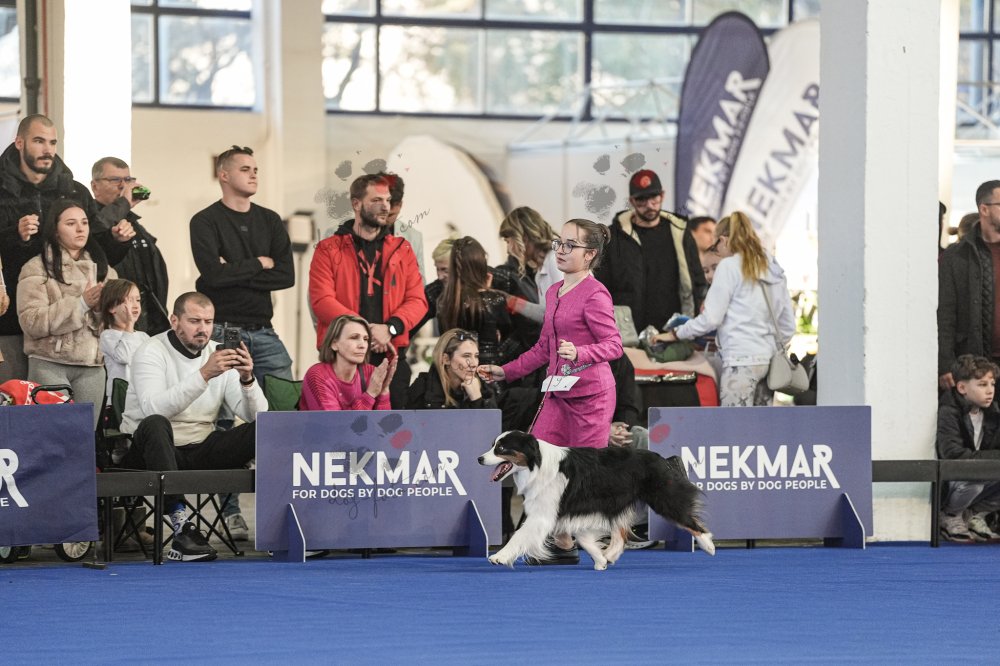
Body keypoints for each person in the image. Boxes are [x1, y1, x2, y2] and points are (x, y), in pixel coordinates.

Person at [478, 218, 622, 565]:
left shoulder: (596, 293)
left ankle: (610, 535)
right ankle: (562, 544)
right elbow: (544, 348)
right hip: (557, 395)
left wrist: (580, 353)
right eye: (559, 242)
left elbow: (614, 345)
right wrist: (505, 371)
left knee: (584, 476)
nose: (560, 250)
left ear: (590, 254)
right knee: (537, 466)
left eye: (570, 245)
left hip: (591, 398)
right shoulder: (554, 291)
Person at [120, 292, 267, 562]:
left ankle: (278, 525)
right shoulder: (151, 351)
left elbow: (256, 415)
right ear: (174, 321)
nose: (203, 329)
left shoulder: (218, 353)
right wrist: (204, 375)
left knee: (264, 428)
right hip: (152, 451)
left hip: (200, 447)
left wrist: (247, 379)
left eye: (208, 322)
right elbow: (155, 409)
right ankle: (181, 527)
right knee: (155, 423)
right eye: (194, 321)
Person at [0, 114, 135, 383]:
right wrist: (14, 234)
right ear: (19, 143)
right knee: (13, 395)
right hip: (11, 314)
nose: (47, 149)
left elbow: (96, 248)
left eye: (52, 142)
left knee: (68, 406)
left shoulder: (74, 191)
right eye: (39, 141)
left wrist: (117, 240)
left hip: (70, 323)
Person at [308, 173, 427, 409]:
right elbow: (321, 300)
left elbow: (418, 300)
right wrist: (364, 331)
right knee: (341, 427)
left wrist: (390, 328)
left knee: (391, 428)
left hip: (390, 356)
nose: (385, 207)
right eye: (376, 200)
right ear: (356, 203)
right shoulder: (328, 249)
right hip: (342, 359)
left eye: (387, 200)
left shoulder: (403, 249)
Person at [656, 211, 795, 407]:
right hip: (769, 364)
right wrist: (770, 348)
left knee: (734, 424)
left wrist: (676, 333)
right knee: (761, 425)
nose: (717, 252)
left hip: (739, 361)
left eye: (716, 247)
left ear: (722, 240)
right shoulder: (772, 267)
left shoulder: (729, 266)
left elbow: (711, 319)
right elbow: (788, 326)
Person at [191, 145, 295, 387]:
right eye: (245, 169)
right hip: (223, 330)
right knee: (223, 406)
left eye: (256, 170)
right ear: (224, 175)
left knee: (284, 400)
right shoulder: (204, 221)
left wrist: (231, 271)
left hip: (264, 330)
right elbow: (213, 276)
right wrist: (259, 263)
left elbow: (286, 276)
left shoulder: (270, 220)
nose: (254, 175)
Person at [16, 198, 116, 430]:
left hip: (93, 366)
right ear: (55, 230)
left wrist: (102, 311)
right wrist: (80, 304)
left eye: (84, 222)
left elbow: (115, 322)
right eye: (71, 223)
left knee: (84, 437)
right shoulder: (36, 267)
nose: (80, 229)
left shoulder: (104, 270)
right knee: (53, 435)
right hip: (49, 363)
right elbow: (30, 321)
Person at [594, 169, 707, 331]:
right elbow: (601, 288)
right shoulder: (613, 238)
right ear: (632, 201)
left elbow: (697, 278)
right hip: (629, 330)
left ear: (662, 196)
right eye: (641, 199)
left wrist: (698, 314)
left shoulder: (680, 232)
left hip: (675, 329)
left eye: (654, 197)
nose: (649, 205)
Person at [91, 156, 170, 335]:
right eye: (115, 180)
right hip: (114, 324)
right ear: (95, 186)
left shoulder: (135, 225)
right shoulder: (90, 222)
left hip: (148, 321)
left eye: (127, 180)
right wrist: (124, 203)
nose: (123, 186)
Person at [939, 180, 1000, 390]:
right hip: (973, 366)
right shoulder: (957, 256)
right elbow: (945, 313)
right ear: (984, 209)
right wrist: (945, 363)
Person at [937, 354, 1000, 542]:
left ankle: (973, 514)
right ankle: (950, 515)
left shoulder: (993, 413)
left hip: (978, 473)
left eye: (992, 384)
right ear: (962, 388)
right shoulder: (949, 412)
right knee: (975, 480)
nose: (990, 391)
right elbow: (953, 454)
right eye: (982, 385)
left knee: (979, 476)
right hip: (954, 479)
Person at [437, 236, 519, 367]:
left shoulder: (444, 302)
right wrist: (488, 291)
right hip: (489, 370)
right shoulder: (493, 300)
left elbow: (445, 339)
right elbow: (509, 336)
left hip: (457, 371)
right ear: (481, 264)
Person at [299, 314, 395, 411]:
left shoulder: (372, 373)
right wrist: (370, 394)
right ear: (334, 344)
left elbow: (385, 420)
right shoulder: (318, 375)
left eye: (365, 339)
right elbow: (334, 420)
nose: (362, 345)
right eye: (354, 337)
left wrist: (384, 391)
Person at [491, 206, 562, 327]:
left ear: (524, 238)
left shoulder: (555, 260)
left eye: (508, 242)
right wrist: (509, 300)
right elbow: (545, 314)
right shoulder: (540, 273)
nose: (508, 250)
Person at [407, 328, 498, 410]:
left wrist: (477, 399)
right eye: (466, 356)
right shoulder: (422, 388)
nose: (474, 363)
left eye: (476, 356)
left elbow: (491, 423)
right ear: (446, 359)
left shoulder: (484, 388)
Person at [99, 278, 149, 397]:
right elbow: (123, 357)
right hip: (119, 398)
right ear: (112, 308)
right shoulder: (108, 335)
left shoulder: (143, 336)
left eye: (138, 300)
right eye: (129, 301)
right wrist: (130, 323)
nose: (135, 305)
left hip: (140, 396)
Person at [382, 171, 425, 280]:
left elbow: (420, 281)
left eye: (390, 215)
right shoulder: (352, 233)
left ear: (400, 205)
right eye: (381, 213)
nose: (384, 220)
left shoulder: (414, 237)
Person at [411, 237, 453, 337]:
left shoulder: (484, 284)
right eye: (437, 269)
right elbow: (410, 326)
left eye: (445, 270)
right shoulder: (434, 292)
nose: (440, 276)